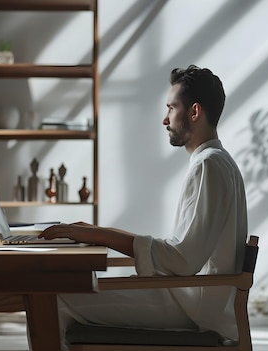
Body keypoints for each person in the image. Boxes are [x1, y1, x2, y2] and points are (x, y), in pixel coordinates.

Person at [40, 64, 248, 349]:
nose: (165, 119)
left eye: (171, 108)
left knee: (52, 297)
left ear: (194, 112)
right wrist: (99, 233)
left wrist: (99, 235)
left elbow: (183, 260)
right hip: (196, 299)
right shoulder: (219, 161)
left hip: (193, 307)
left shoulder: (209, 165)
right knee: (63, 293)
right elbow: (187, 256)